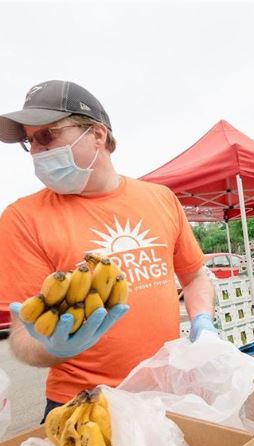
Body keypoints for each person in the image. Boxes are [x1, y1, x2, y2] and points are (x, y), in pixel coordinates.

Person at [0, 80, 217, 420]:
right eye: (30, 141)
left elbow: (194, 278)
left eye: (48, 136)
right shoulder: (22, 218)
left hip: (167, 394)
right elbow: (20, 333)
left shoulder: (160, 199)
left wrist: (203, 319)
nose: (38, 150)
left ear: (97, 135)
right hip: (82, 405)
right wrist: (50, 348)